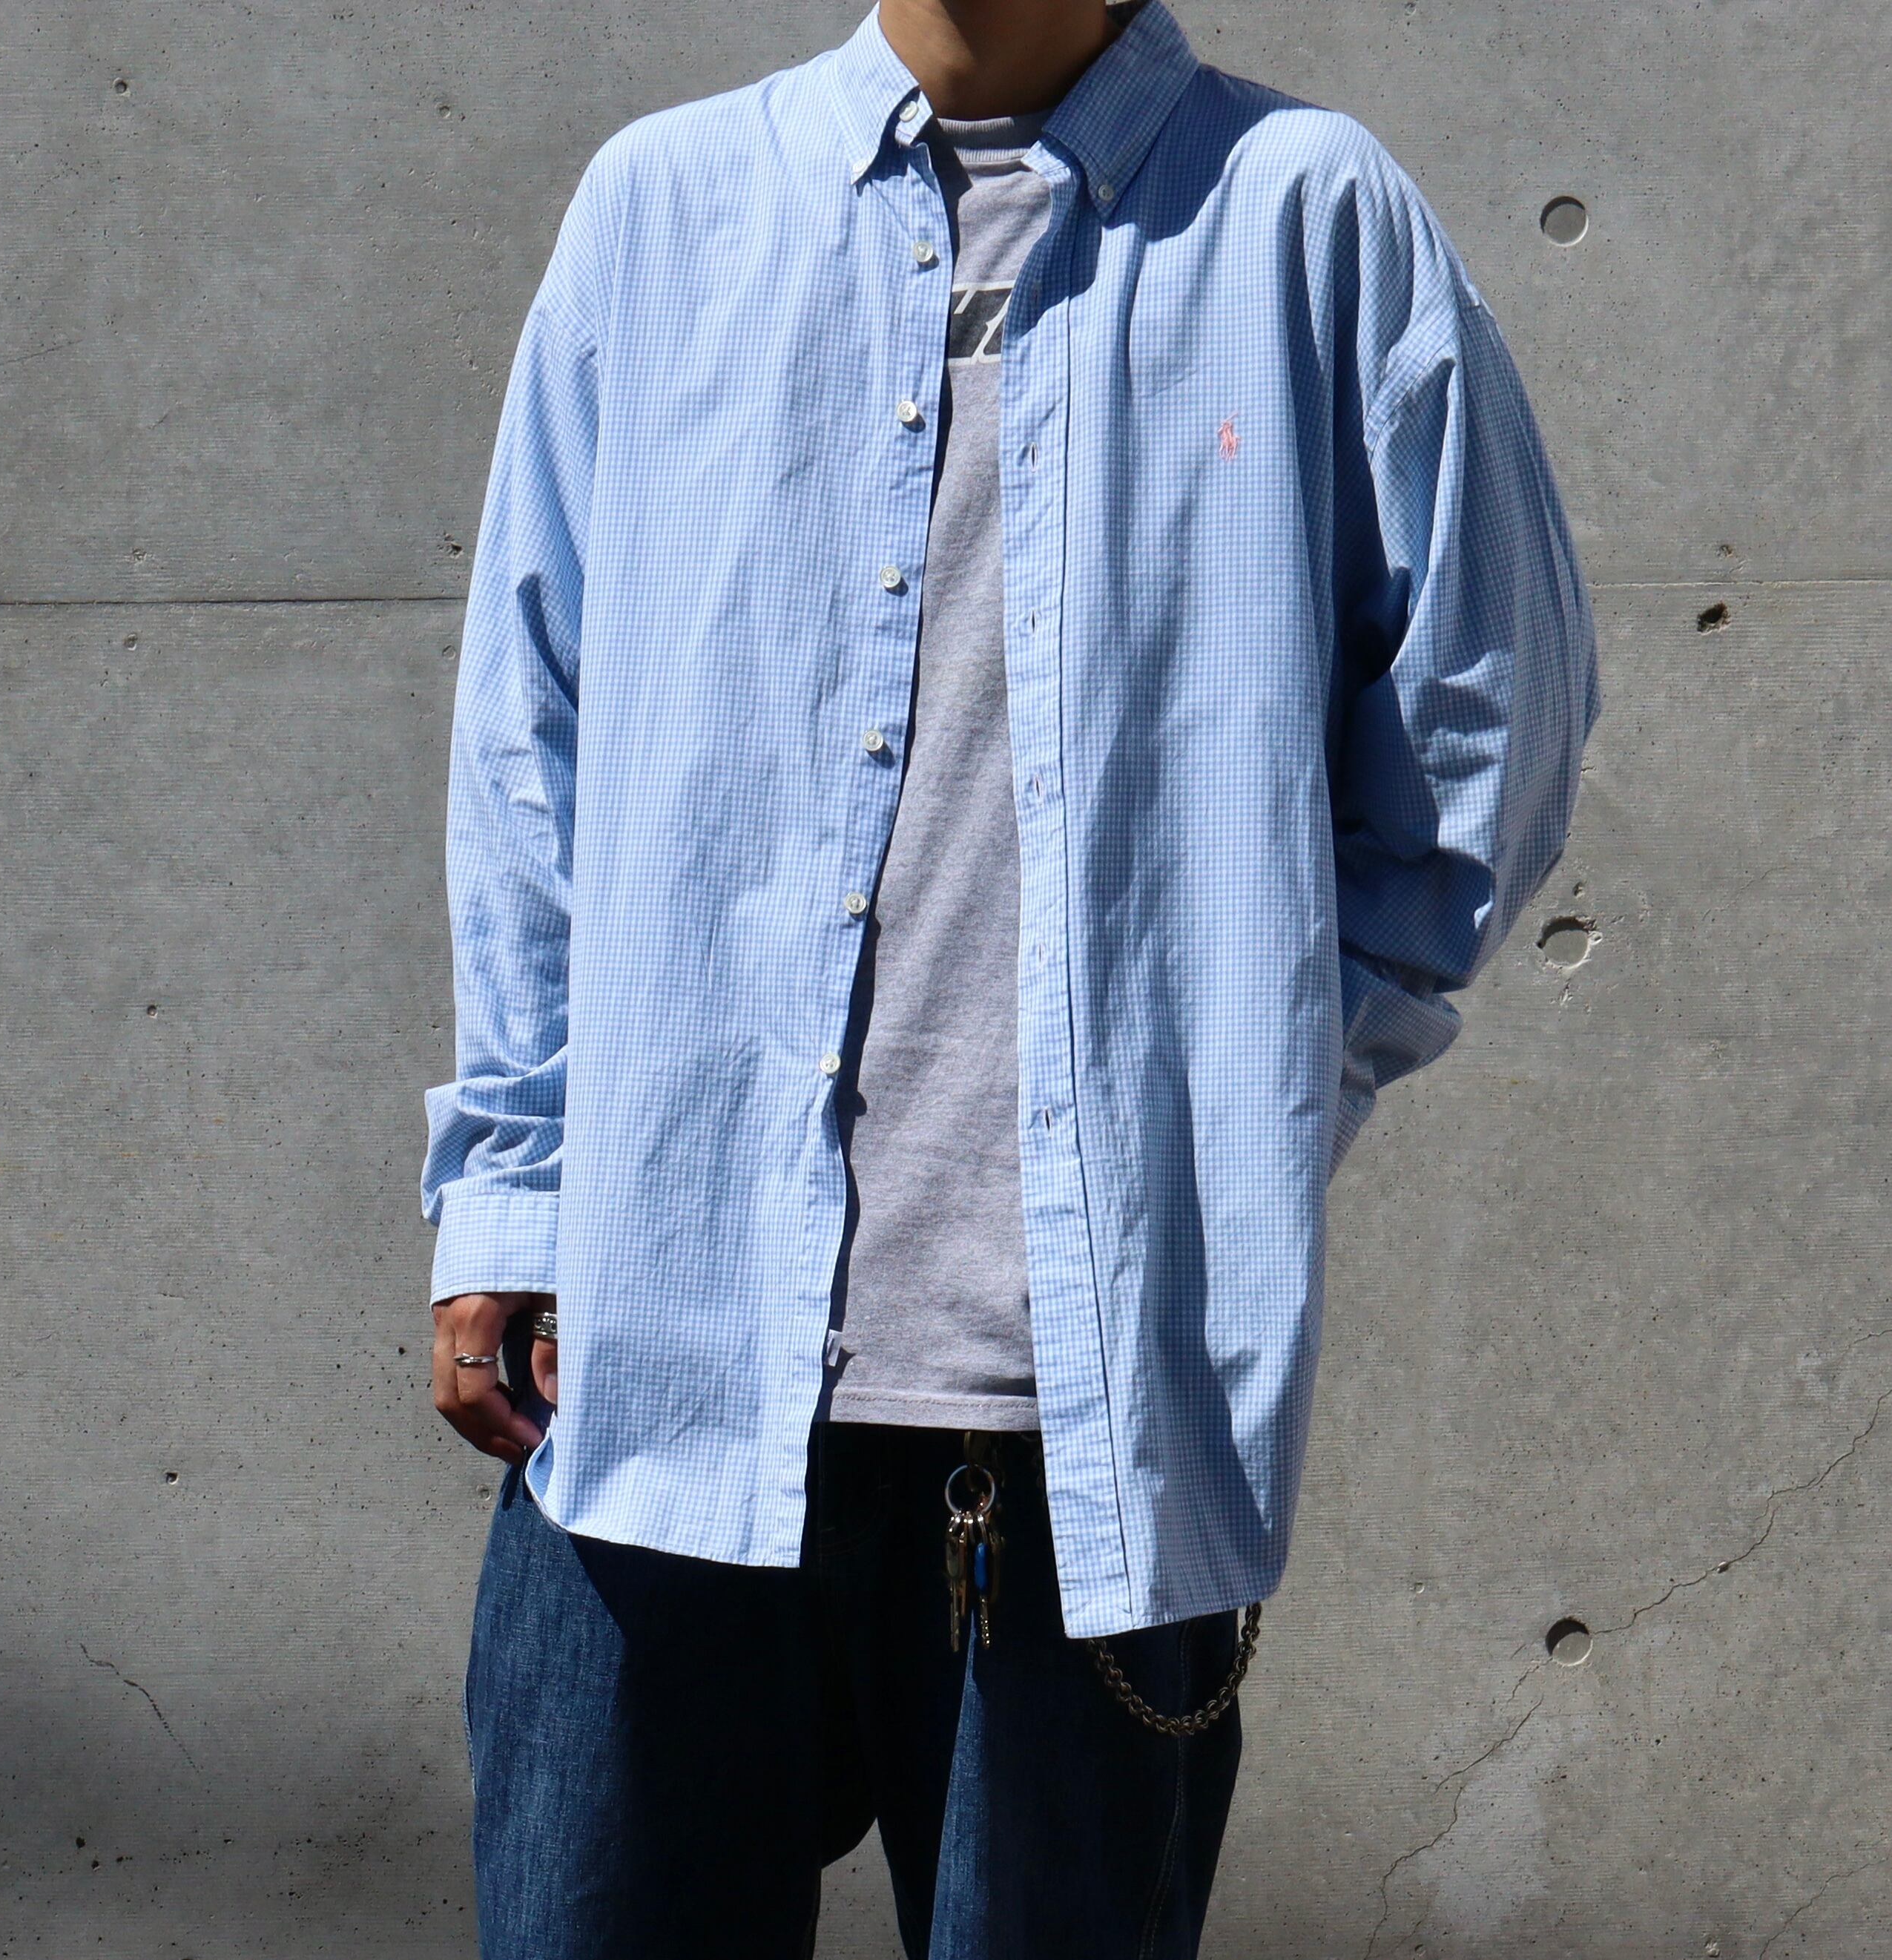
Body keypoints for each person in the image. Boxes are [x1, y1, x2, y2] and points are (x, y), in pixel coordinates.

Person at [418, 0, 1601, 1952]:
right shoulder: (665, 209)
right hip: (652, 1389)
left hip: (1076, 1448)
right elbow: (527, 748)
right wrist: (513, 1185)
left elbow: (1485, 744)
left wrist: (1232, 1100)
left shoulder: (1305, 220)